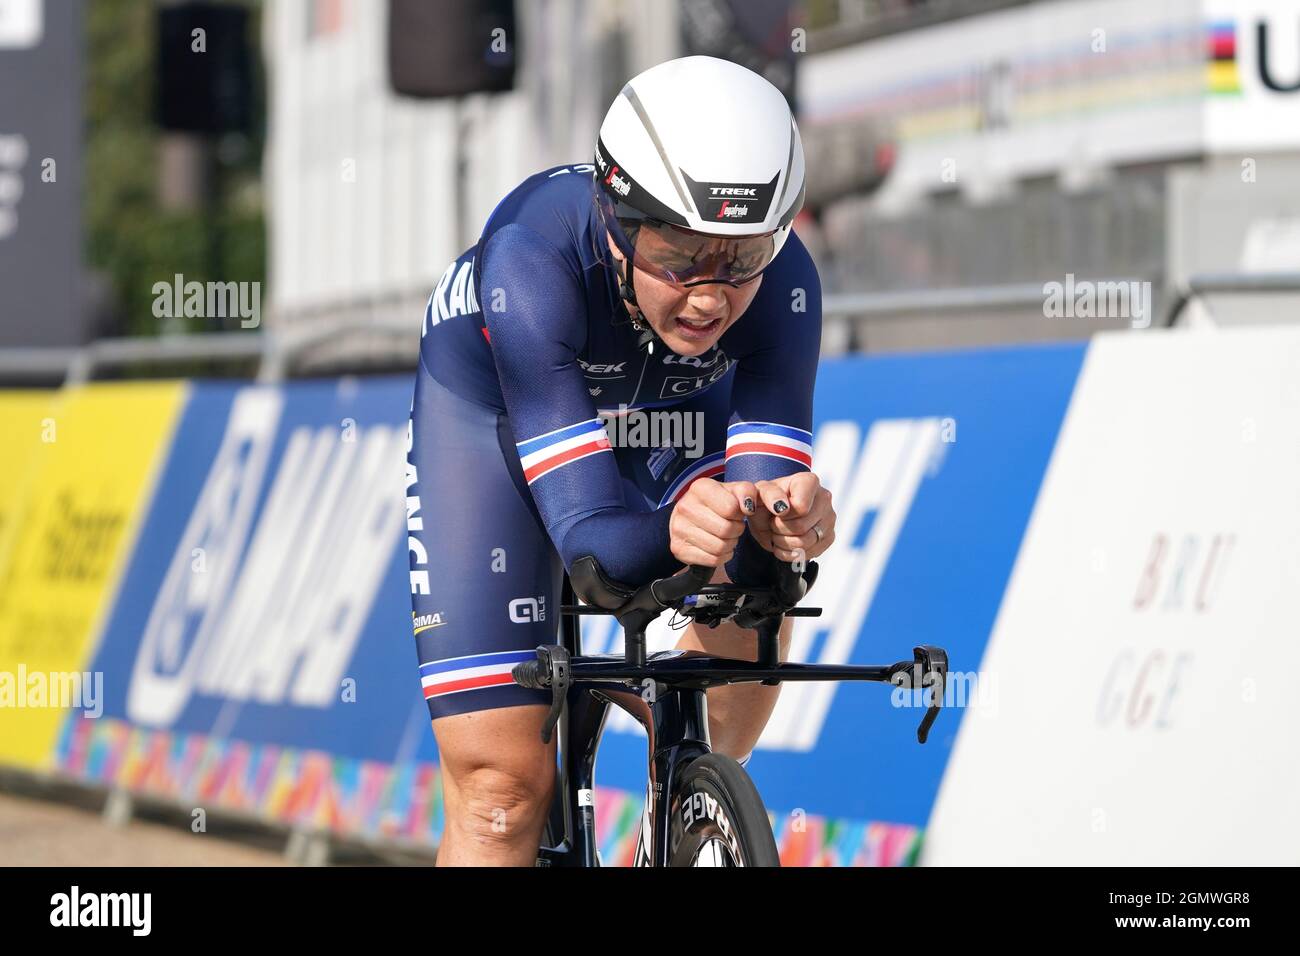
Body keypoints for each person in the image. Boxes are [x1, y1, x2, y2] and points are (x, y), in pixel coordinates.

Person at [405, 55, 838, 866]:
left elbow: (759, 535)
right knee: (502, 789)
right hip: (493, 416)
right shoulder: (532, 261)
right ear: (615, 219)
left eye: (742, 257)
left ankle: (667, 827)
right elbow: (595, 551)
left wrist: (791, 524)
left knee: (746, 640)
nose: (711, 296)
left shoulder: (785, 288)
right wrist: (673, 531)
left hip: (669, 413)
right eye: (680, 257)